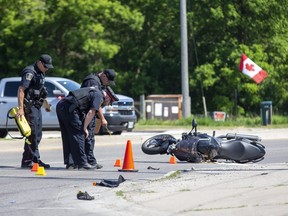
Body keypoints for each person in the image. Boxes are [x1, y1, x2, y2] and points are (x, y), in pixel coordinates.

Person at [56, 86, 116, 170]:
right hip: (69, 108)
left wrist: (85, 126)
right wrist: (84, 128)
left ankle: (71, 163)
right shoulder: (99, 96)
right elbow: (91, 112)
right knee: (79, 135)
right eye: (109, 102)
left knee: (68, 136)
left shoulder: (94, 91)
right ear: (107, 97)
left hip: (62, 106)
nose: (107, 104)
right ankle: (82, 163)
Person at [17, 54, 54, 169]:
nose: (46, 69)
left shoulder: (41, 73)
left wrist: (46, 106)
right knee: (31, 134)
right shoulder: (30, 72)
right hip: (29, 107)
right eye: (45, 66)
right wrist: (21, 109)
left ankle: (35, 159)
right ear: (39, 62)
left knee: (38, 134)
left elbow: (40, 92)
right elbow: (21, 90)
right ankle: (27, 160)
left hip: (37, 106)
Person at [80, 69, 116, 167]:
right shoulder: (92, 82)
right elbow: (94, 104)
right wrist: (103, 118)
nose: (107, 83)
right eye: (108, 81)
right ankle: (89, 161)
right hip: (86, 113)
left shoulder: (98, 82)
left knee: (90, 137)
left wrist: (105, 101)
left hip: (89, 113)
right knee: (88, 137)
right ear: (104, 75)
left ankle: (90, 160)